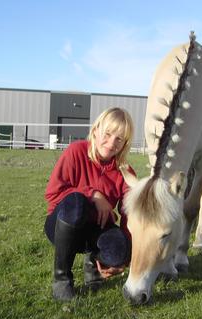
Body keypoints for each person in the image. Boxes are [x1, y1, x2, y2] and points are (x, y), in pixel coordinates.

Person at [44, 107, 135, 302]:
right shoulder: (76, 151)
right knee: (77, 203)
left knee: (119, 250)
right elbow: (53, 194)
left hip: (96, 230)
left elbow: (130, 215)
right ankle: (62, 279)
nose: (111, 143)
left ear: (125, 143)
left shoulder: (125, 172)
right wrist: (94, 194)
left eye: (119, 139)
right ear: (95, 130)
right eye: (107, 134)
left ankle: (93, 263)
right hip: (63, 225)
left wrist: (125, 257)